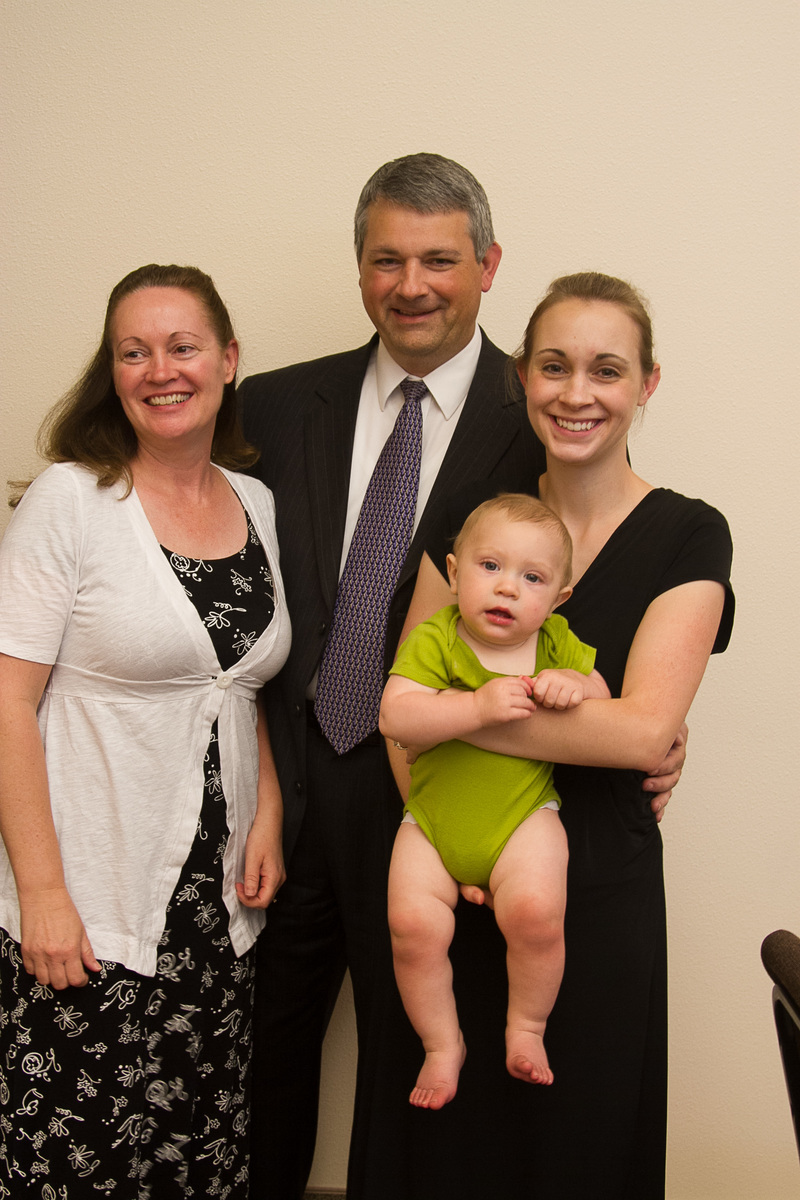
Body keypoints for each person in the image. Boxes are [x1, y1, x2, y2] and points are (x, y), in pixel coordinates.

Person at [238, 156, 680, 1200]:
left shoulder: (536, 417)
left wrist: (640, 727)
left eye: (439, 259)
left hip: (435, 797)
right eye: (386, 258)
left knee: (424, 1084)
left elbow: (579, 587)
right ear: (358, 271)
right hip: (281, 800)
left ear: (487, 267)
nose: (411, 283)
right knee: (257, 1079)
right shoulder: (265, 406)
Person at [366, 272, 734, 1198]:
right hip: (449, 884)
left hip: (591, 896)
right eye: (555, 366)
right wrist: (448, 840)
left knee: (580, 1150)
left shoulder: (690, 535)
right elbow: (395, 710)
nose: (578, 393)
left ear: (647, 384)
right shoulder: (470, 520)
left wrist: (466, 719)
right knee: (448, 1153)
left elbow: (644, 732)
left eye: (607, 370)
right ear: (522, 377)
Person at [0, 264, 290, 1195]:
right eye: (134, 351)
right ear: (113, 371)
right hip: (91, 902)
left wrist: (270, 814)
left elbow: (241, 691)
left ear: (228, 360)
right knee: (76, 1162)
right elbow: (6, 703)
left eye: (182, 346)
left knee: (194, 1156)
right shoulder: (70, 501)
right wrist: (41, 892)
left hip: (215, 916)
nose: (159, 369)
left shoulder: (260, 507)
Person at [381, 494, 610, 1108]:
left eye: (531, 578)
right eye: (490, 567)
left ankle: (527, 1027)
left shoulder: (556, 643)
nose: (507, 589)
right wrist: (475, 706)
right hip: (431, 822)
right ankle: (440, 1043)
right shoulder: (437, 639)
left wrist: (578, 685)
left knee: (537, 914)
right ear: (454, 573)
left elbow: (604, 694)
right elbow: (396, 714)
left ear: (558, 598)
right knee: (409, 927)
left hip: (522, 819)